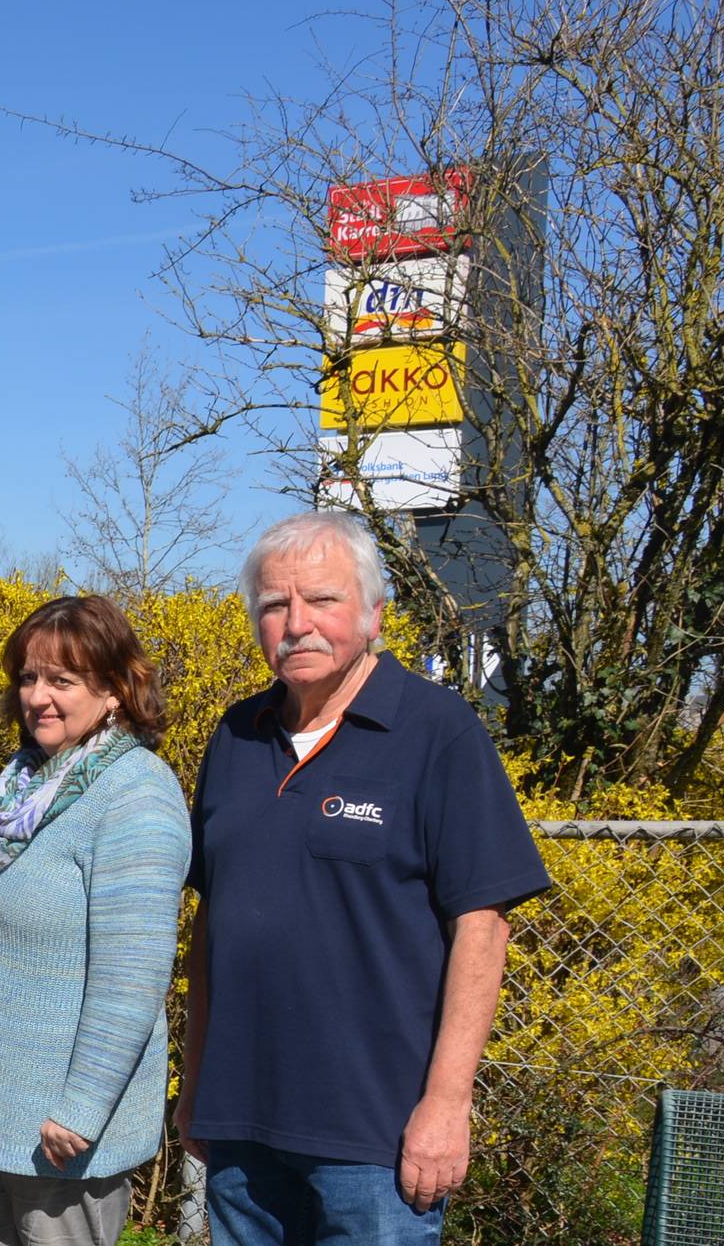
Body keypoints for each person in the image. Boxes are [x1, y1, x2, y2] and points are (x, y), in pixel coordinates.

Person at [178, 511, 552, 1245]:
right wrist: (196, 1087)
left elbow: (482, 925)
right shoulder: (235, 737)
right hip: (243, 1130)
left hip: (376, 1140)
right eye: (275, 604)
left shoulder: (437, 732)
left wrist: (447, 1104)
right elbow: (210, 928)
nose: (297, 624)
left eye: (322, 600)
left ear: (375, 614)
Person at [0, 597, 191, 1246]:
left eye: (61, 680)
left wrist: (81, 1108)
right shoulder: (22, 787)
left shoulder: (135, 795)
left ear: (113, 691)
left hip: (59, 1136)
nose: (38, 696)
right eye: (28, 677)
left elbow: (132, 976)